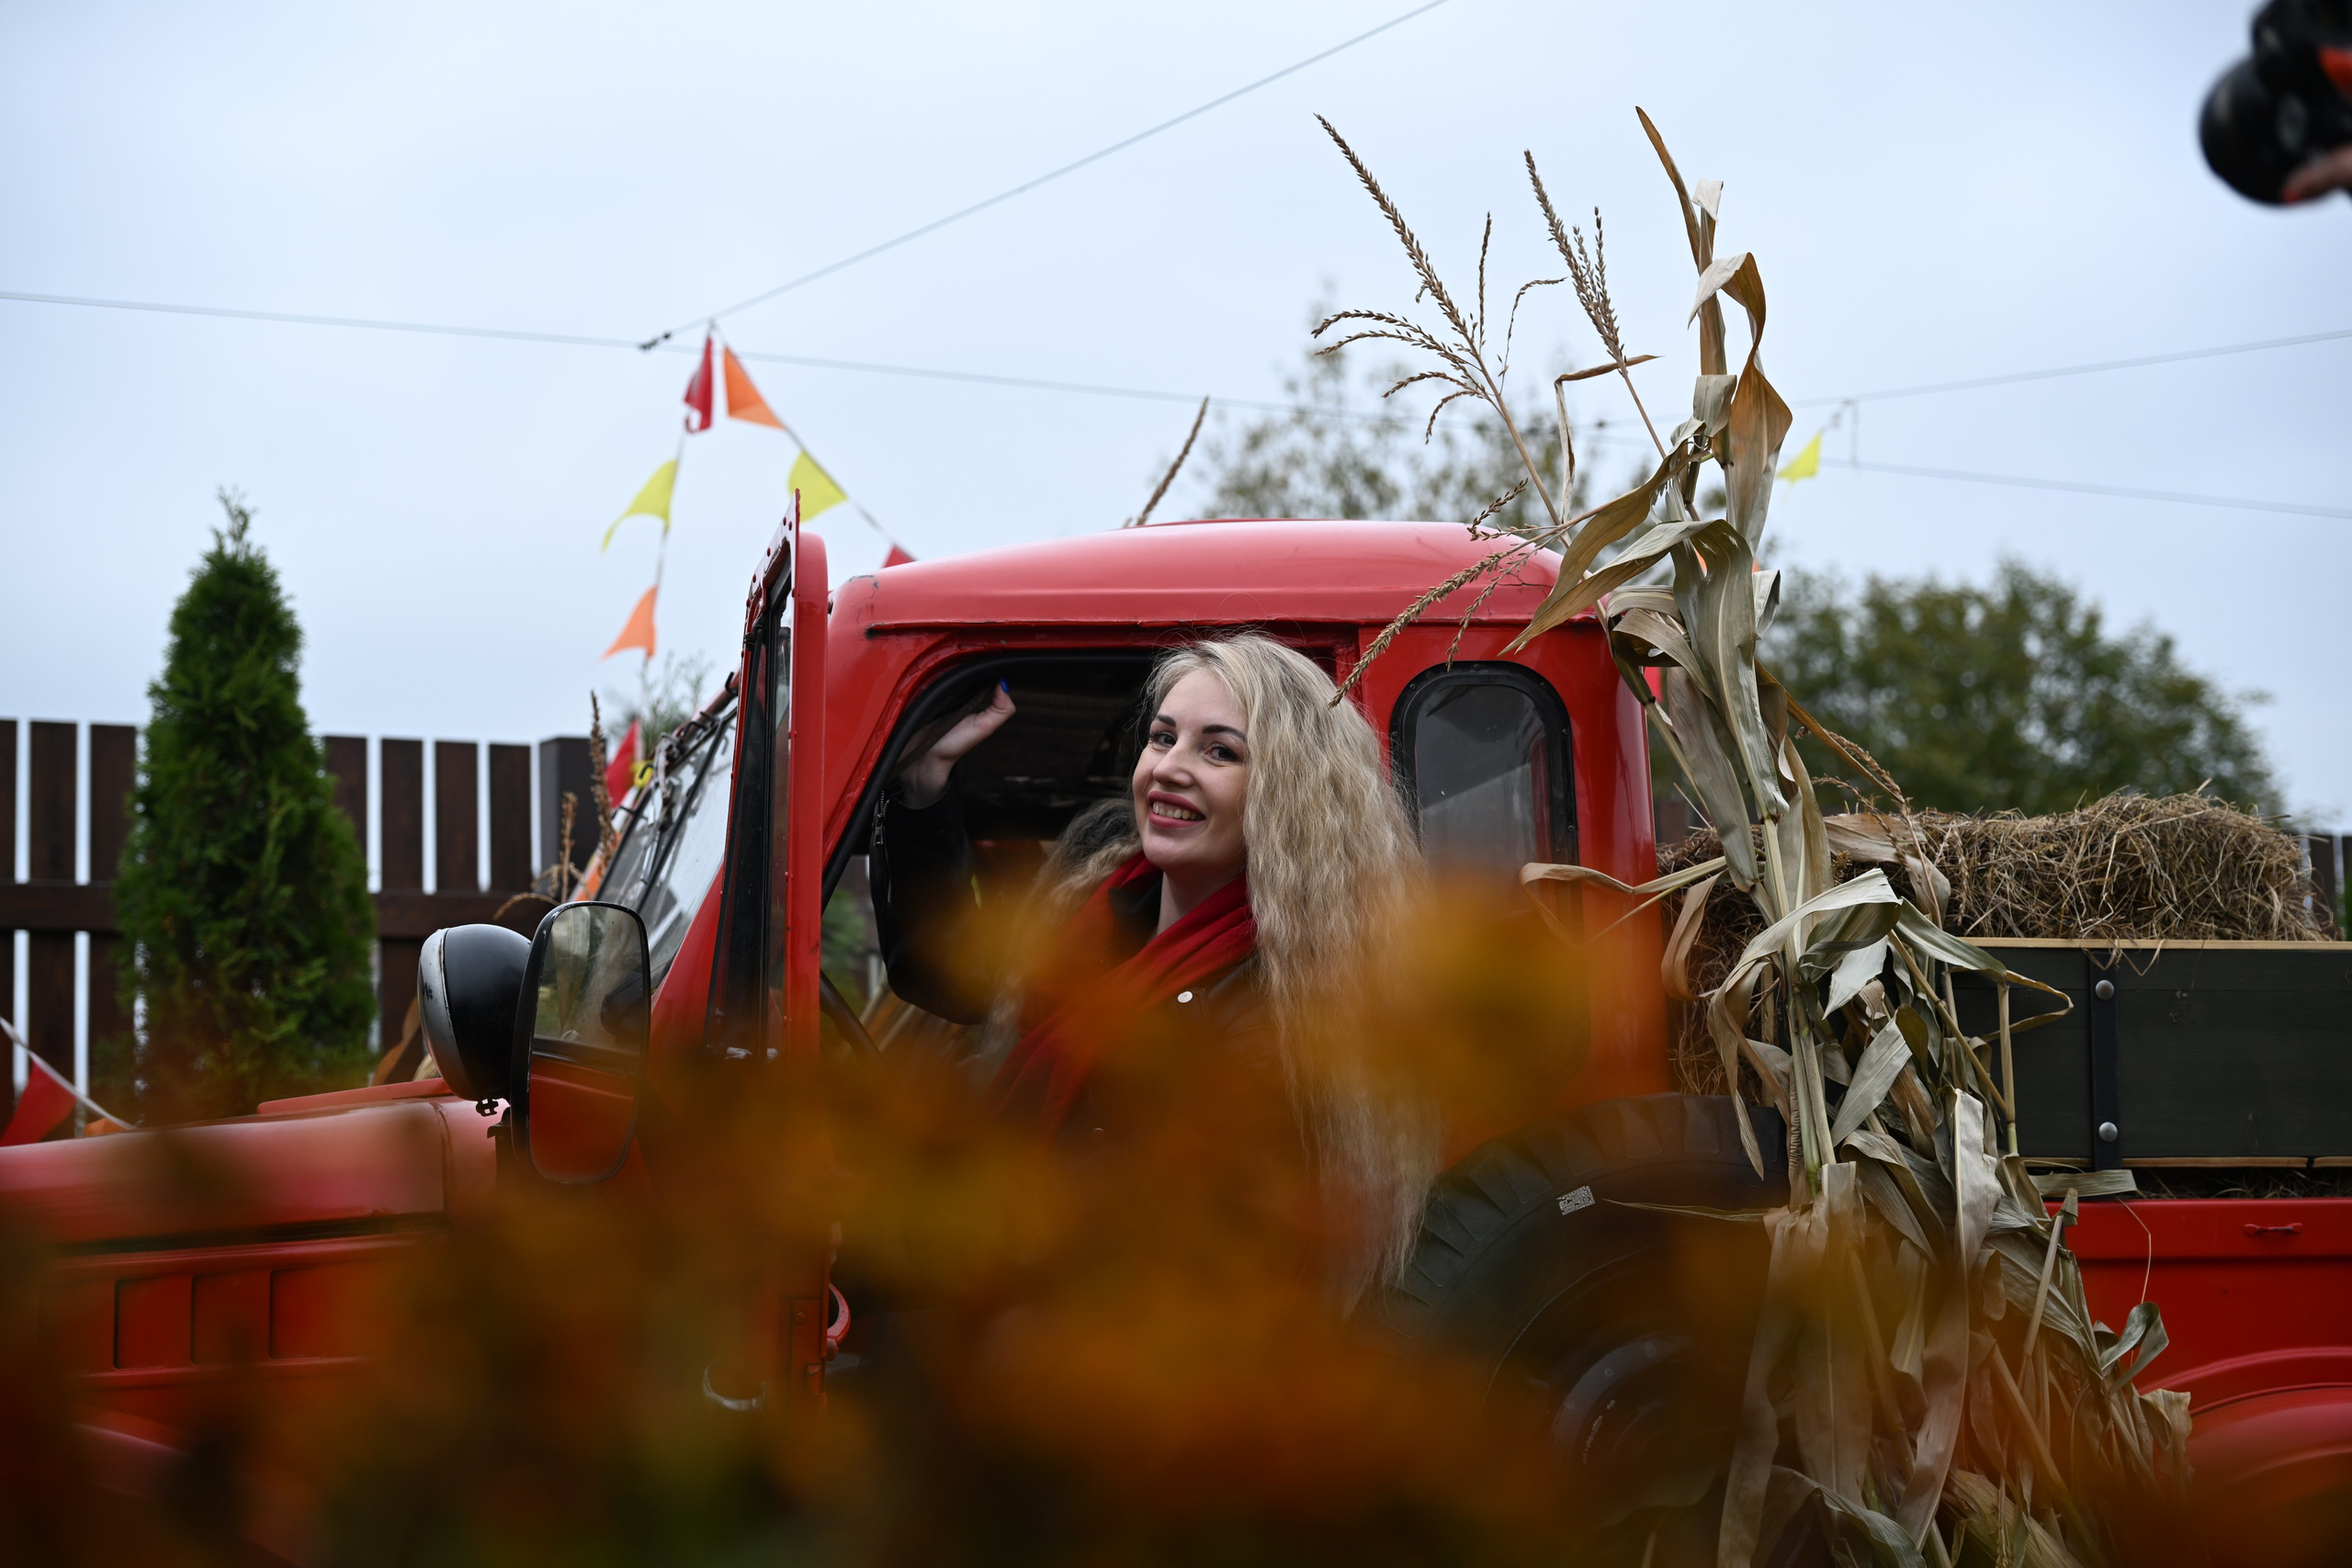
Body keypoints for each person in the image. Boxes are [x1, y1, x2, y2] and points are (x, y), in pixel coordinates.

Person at [869, 634, 1435, 1300]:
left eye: (1219, 750)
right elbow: (947, 968)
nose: (1169, 766)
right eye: (1163, 738)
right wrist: (923, 782)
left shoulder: (1279, 1015)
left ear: (1291, 794)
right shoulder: (1100, 895)